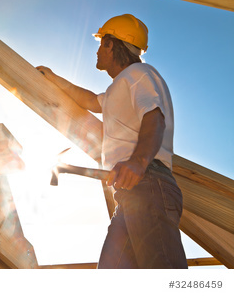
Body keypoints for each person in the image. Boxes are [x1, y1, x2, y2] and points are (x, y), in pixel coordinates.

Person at [37, 14, 187, 269]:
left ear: (110, 44)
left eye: (100, 44)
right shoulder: (121, 86)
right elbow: (88, 100)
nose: (97, 51)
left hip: (148, 183)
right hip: (130, 193)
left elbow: (154, 116)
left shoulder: (139, 74)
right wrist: (52, 78)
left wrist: (138, 162)